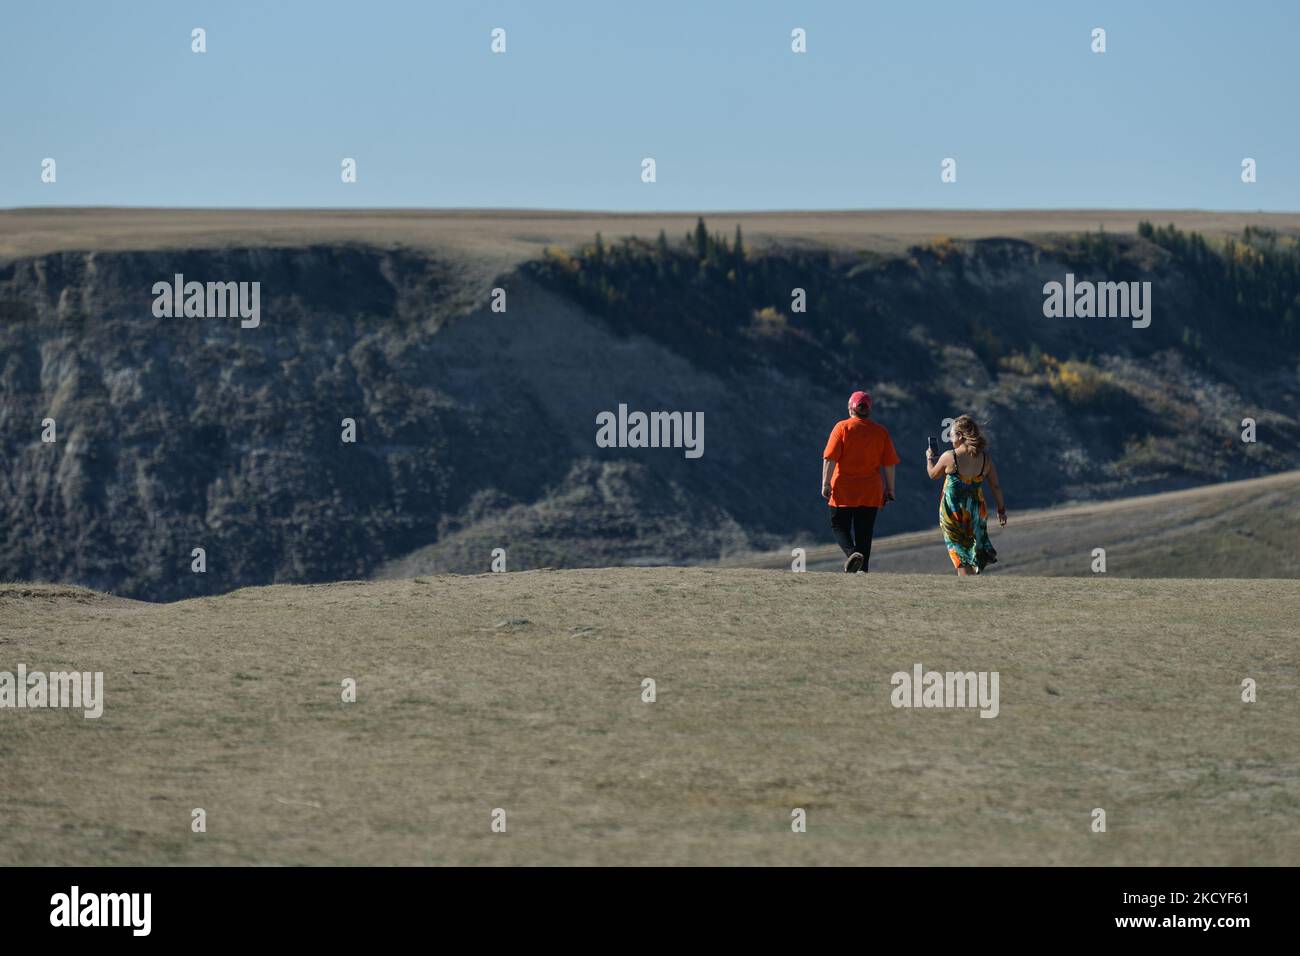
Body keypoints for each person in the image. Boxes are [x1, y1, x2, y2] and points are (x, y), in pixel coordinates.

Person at [821, 390, 900, 573]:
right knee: (864, 533)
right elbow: (889, 464)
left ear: (851, 408)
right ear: (869, 410)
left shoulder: (841, 428)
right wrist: (890, 490)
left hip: (843, 490)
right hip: (870, 491)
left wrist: (825, 483)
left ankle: (851, 555)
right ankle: (862, 571)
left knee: (839, 526)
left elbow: (830, 458)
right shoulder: (880, 432)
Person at [925, 415, 1006, 576]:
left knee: (959, 552)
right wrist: (1001, 509)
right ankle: (972, 585)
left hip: (953, 512)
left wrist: (929, 458)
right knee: (972, 549)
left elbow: (933, 474)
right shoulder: (985, 459)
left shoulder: (950, 456)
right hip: (976, 511)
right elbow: (995, 486)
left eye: (951, 434)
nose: (949, 437)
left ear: (960, 435)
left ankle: (966, 589)